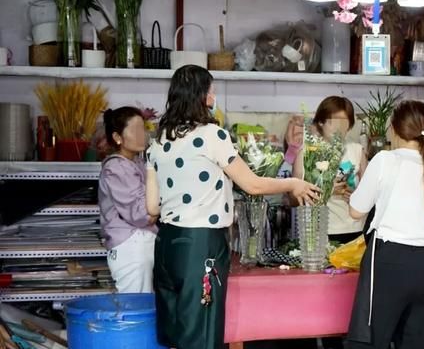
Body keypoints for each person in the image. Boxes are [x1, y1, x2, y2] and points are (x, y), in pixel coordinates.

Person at [145, 64, 319, 349]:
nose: (214, 98)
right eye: (211, 92)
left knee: (175, 333)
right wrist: (292, 185)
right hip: (200, 245)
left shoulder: (159, 141)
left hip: (166, 245)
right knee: (200, 335)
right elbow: (252, 185)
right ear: (203, 97)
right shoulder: (213, 136)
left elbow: (151, 207)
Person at [346, 100, 424, 349]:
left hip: (388, 260)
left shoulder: (384, 160)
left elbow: (355, 211)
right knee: (415, 341)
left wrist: (356, 191)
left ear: (394, 129)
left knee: (372, 340)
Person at [291, 96, 369, 244]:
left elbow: (369, 196)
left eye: (344, 122)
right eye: (333, 121)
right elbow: (293, 199)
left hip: (355, 230)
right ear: (321, 122)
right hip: (319, 232)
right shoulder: (306, 154)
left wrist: (356, 196)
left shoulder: (357, 151)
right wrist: (326, 190)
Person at [98, 106, 157, 294]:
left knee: (146, 308)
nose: (143, 135)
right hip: (131, 248)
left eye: (144, 129)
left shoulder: (138, 163)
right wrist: (155, 209)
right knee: (136, 309)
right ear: (117, 137)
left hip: (144, 245)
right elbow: (143, 214)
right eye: (135, 130)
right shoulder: (115, 168)